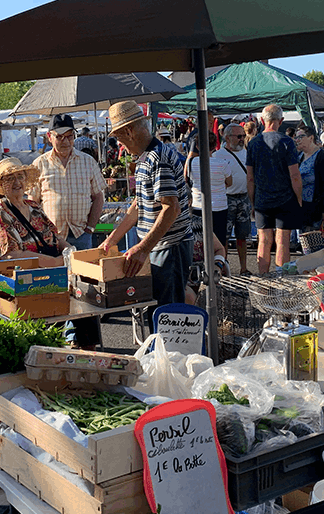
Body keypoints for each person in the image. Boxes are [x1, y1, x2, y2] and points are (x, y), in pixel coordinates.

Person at [102, 101, 193, 311]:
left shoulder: (157, 158)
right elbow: (139, 204)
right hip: (160, 246)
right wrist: (112, 239)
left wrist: (142, 248)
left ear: (129, 131)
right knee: (159, 310)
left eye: (119, 138)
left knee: (167, 313)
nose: (121, 145)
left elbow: (171, 208)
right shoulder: (145, 157)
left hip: (169, 247)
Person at [31, 114, 106, 347]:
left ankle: (82, 340)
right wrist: (43, 234)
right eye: (60, 136)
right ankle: (55, 341)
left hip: (81, 234)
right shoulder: (39, 164)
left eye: (70, 136)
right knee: (54, 288)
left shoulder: (87, 161)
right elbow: (32, 204)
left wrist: (90, 227)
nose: (65, 141)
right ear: (49, 137)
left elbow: (98, 196)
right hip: (52, 239)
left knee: (85, 288)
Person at [246, 104, 302, 274]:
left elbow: (250, 177)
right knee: (283, 240)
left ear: (262, 120)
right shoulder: (287, 142)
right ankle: (281, 279)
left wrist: (252, 202)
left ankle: (263, 278)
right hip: (285, 198)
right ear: (281, 121)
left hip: (262, 198)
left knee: (263, 240)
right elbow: (294, 175)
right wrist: (299, 198)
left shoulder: (253, 143)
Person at [0, 158, 63, 267]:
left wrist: (69, 250)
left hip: (49, 270)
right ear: (1, 184)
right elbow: (10, 256)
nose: (17, 182)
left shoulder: (34, 206)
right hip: (18, 275)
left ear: (25, 180)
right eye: (10, 178)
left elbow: (56, 236)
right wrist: (54, 262)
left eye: (20, 177)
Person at [214, 123, 251, 274]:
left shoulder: (246, 153)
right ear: (228, 138)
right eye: (239, 136)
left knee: (243, 236)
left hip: (244, 198)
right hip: (226, 199)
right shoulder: (218, 156)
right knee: (224, 237)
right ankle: (223, 268)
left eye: (243, 136)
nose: (242, 139)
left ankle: (244, 268)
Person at [188, 131, 232, 249]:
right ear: (215, 145)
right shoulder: (223, 164)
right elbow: (229, 182)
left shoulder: (192, 162)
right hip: (219, 206)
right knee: (220, 240)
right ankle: (220, 260)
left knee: (199, 241)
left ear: (197, 146)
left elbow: (187, 178)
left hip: (198, 205)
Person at [293, 127, 324, 231]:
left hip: (315, 207)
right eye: (296, 137)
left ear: (311, 138)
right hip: (301, 206)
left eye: (300, 137)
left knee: (313, 236)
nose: (297, 140)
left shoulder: (322, 157)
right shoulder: (300, 156)